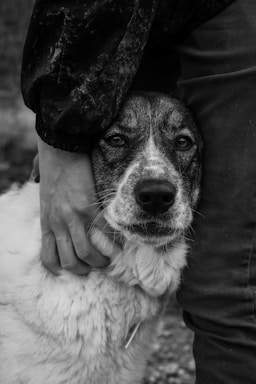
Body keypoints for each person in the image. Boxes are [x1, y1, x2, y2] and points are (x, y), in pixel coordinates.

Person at [21, 0, 256, 382]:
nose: (155, 182)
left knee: (230, 286)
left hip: (219, 14)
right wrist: (60, 131)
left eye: (181, 143)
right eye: (117, 140)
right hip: (121, 26)